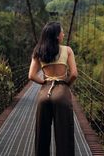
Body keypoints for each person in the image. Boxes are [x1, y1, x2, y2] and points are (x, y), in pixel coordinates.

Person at [28, 21, 78, 156]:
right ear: (57, 36)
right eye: (62, 31)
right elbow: (74, 74)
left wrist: (44, 82)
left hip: (44, 94)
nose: (63, 33)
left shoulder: (38, 51)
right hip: (61, 93)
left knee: (41, 135)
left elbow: (31, 75)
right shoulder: (67, 50)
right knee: (64, 136)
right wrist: (65, 84)